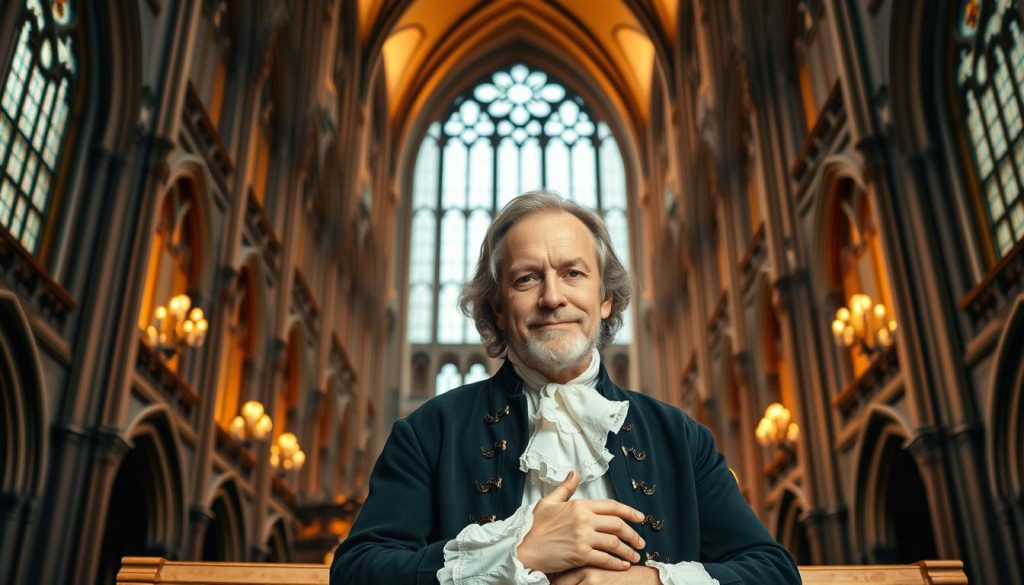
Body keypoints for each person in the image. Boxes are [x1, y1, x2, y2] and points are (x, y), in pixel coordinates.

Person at [331, 191, 801, 584]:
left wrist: (651, 582)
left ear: (605, 298)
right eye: (526, 278)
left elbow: (773, 572)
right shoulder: (427, 433)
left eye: (573, 274)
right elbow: (356, 571)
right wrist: (515, 552)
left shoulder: (681, 437)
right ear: (498, 309)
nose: (552, 297)